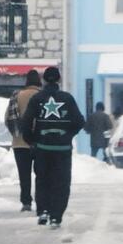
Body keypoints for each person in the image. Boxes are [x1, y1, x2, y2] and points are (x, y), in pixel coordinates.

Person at [20, 66, 85, 228]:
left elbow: (26, 123)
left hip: (42, 148)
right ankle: (56, 216)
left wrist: (32, 141)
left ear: (43, 80)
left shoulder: (37, 99)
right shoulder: (67, 99)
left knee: (42, 180)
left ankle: (43, 211)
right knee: (61, 183)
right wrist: (68, 135)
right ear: (59, 80)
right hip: (62, 150)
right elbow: (79, 121)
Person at [5, 69, 42, 213]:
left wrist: (16, 133)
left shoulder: (16, 96)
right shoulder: (42, 96)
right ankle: (41, 200)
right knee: (41, 173)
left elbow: (7, 117)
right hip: (39, 141)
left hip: (20, 143)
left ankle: (26, 201)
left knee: (24, 174)